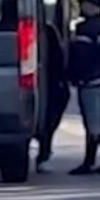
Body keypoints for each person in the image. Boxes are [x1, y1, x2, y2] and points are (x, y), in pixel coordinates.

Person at [67, 0, 100, 174]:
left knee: (92, 122)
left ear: (92, 6)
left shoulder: (85, 29)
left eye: (84, 5)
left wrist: (74, 75)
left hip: (89, 80)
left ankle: (89, 161)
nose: (81, 8)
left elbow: (81, 56)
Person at [35, 22, 71, 172]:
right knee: (50, 119)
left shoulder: (46, 32)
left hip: (51, 83)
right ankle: (44, 152)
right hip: (53, 83)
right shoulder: (47, 30)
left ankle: (44, 151)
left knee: (49, 118)